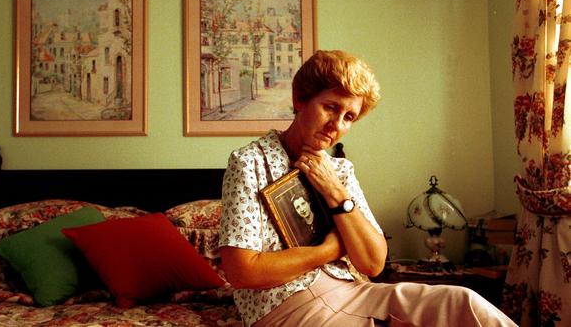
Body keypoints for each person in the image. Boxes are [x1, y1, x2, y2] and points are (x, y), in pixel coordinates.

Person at [218, 50, 517, 327]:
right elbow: (242, 271)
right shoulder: (249, 163)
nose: (336, 124)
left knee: (464, 303)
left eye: (348, 117)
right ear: (300, 99)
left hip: (355, 292)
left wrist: (336, 192)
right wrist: (328, 250)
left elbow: (373, 263)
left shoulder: (340, 170)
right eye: (330, 107)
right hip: (284, 307)